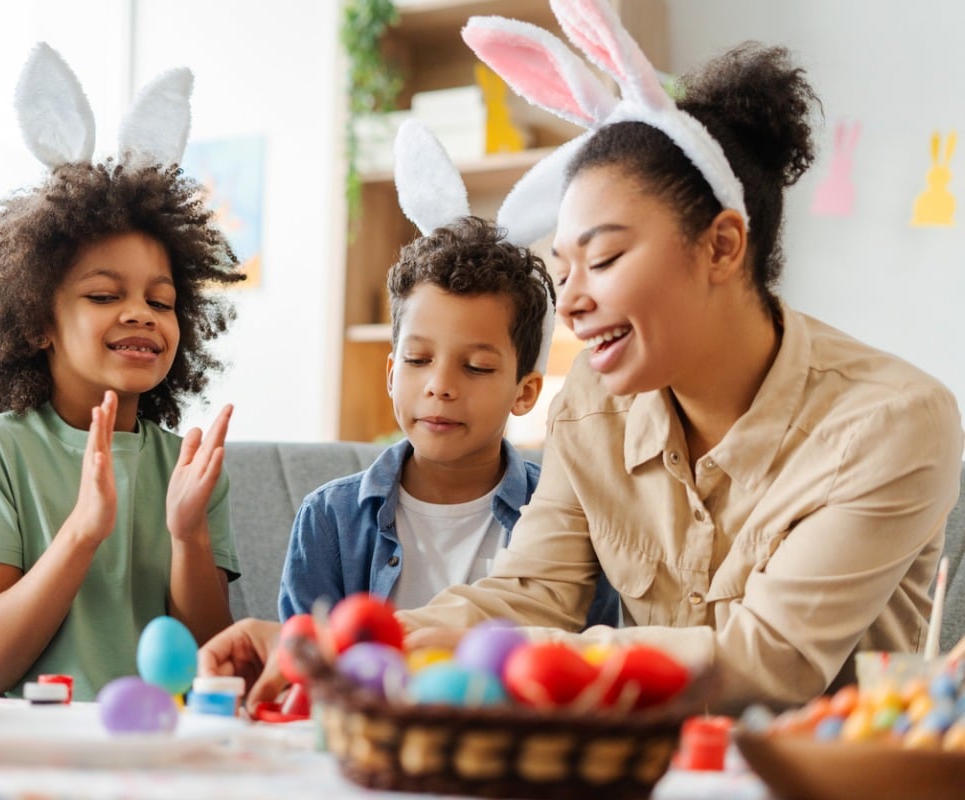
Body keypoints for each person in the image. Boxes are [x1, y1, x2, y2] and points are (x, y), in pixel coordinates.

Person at [200, 15, 962, 714]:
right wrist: (341, 646)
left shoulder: (892, 421)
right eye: (563, 269)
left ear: (723, 246)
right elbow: (529, 593)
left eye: (602, 258)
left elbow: (768, 662)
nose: (570, 304)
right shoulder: (592, 405)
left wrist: (502, 659)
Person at [0, 44, 244, 702]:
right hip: (19, 750)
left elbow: (216, 661)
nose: (141, 314)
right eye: (105, 296)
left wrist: (188, 536)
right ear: (37, 322)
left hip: (146, 744)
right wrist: (83, 530)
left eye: (160, 301)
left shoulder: (181, 466)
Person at [278, 215, 618, 626]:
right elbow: (304, 666)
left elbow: (582, 664)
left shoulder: (567, 524)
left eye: (476, 367)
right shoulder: (329, 518)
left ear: (524, 392)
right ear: (391, 375)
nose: (440, 386)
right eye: (418, 360)